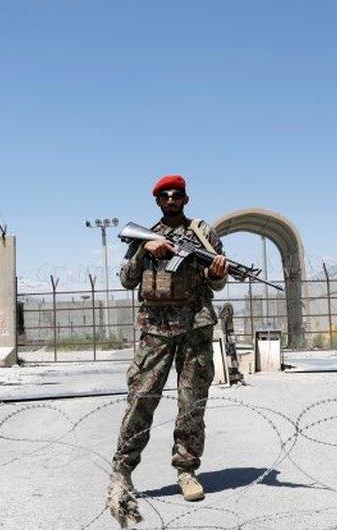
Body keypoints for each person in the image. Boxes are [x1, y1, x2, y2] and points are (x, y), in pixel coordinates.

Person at [107, 174, 229, 524]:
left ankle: (187, 470)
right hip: (156, 331)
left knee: (192, 404)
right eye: (165, 196)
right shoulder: (146, 235)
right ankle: (123, 471)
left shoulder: (204, 235)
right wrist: (146, 252)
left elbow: (217, 283)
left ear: (186, 199)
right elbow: (127, 279)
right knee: (142, 399)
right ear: (158, 202)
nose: (172, 200)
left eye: (177, 195)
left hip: (195, 328)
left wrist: (219, 271)